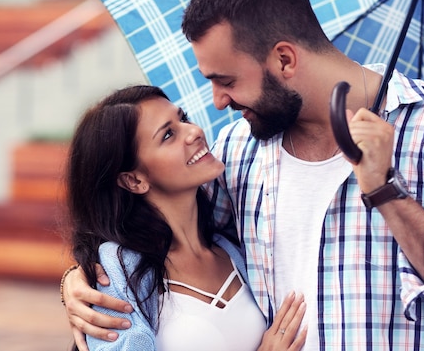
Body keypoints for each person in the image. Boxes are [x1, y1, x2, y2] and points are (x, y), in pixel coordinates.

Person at [61, 0, 424, 350]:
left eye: (226, 81)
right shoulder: (238, 150)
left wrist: (385, 190)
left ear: (284, 59)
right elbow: (154, 229)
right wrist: (81, 281)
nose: (217, 103)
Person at [64, 84, 307, 350]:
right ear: (134, 180)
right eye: (168, 135)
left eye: (183, 118)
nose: (194, 132)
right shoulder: (115, 272)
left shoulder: (233, 249)